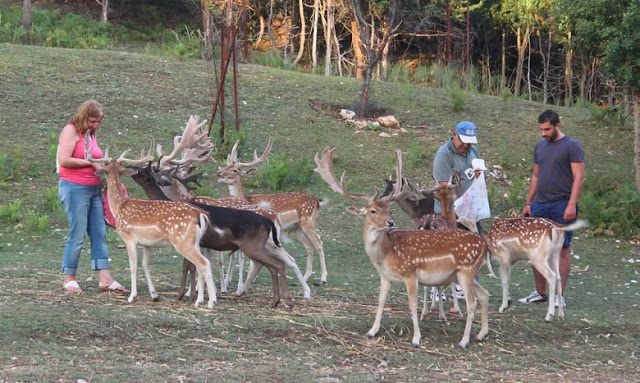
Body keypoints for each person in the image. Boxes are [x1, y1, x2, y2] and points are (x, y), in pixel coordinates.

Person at [57, 99, 129, 295]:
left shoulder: (90, 134)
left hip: (93, 189)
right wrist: (91, 164)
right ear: (83, 116)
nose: (95, 125)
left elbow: (94, 157)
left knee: (99, 232)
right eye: (92, 121)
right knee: (77, 233)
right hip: (74, 188)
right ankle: (69, 278)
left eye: (98, 122)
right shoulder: (71, 130)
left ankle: (105, 278)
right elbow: (64, 160)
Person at [519, 109, 585, 308]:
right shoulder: (540, 147)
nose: (543, 133)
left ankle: (558, 295)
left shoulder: (572, 146)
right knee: (536, 250)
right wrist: (529, 202)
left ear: (558, 126)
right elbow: (536, 176)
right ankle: (540, 292)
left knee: (562, 248)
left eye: (547, 129)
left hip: (561, 203)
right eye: (541, 129)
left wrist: (571, 204)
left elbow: (579, 177)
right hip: (540, 204)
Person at [432, 121, 486, 299]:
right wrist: (460, 205)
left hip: (471, 209)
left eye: (469, 141)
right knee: (444, 250)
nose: (466, 145)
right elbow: (444, 187)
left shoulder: (472, 151)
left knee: (470, 249)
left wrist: (479, 176)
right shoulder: (444, 154)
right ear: (454, 134)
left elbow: (474, 175)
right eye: (463, 140)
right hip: (450, 211)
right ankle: (436, 289)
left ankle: (463, 285)